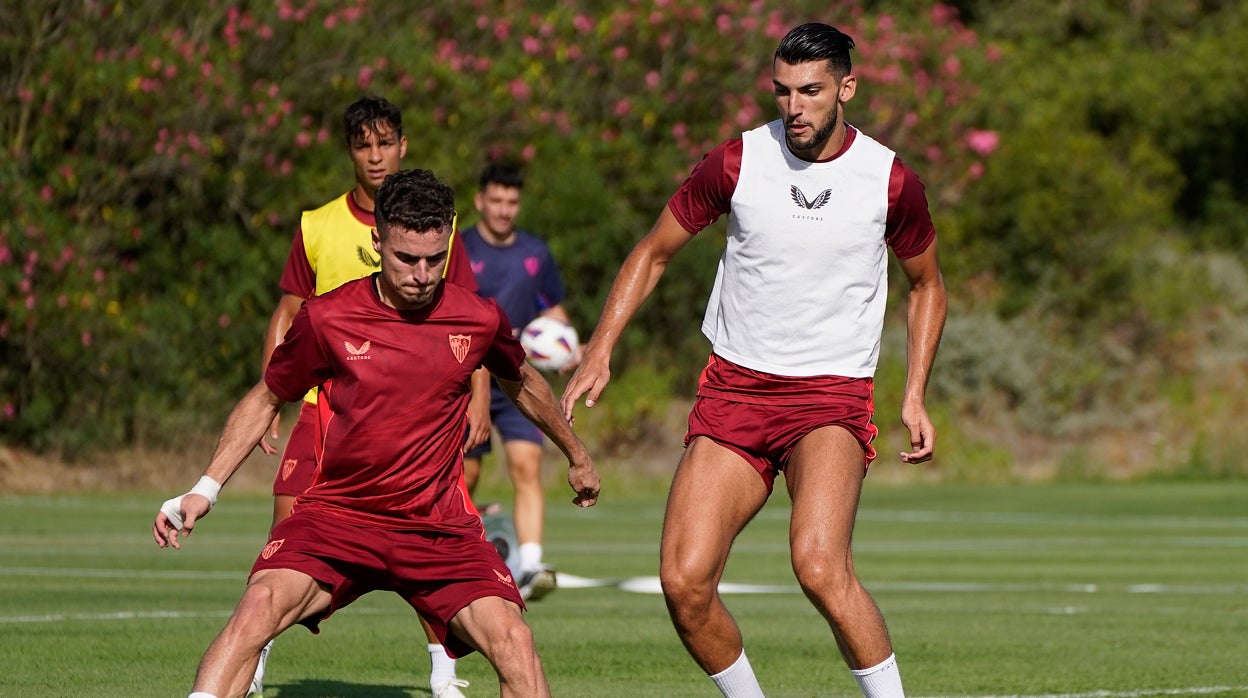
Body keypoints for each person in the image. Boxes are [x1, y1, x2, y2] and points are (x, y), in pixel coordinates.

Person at [560, 23, 946, 698]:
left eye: (811, 91)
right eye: (782, 91)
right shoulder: (738, 162)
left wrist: (913, 394)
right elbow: (653, 252)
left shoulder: (889, 180)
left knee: (820, 566)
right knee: (684, 582)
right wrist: (601, 347)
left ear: (846, 89)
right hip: (735, 392)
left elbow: (928, 286)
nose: (794, 107)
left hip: (830, 397)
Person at [153, 168, 600, 698]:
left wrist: (576, 454)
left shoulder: (478, 318)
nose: (421, 274)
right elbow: (268, 396)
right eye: (406, 258)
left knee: (514, 642)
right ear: (378, 241)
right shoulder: (327, 318)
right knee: (257, 610)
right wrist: (206, 488)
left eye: (435, 259)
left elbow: (522, 383)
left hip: (437, 527)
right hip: (340, 517)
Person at [256, 95, 491, 698]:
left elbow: (471, 322)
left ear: (403, 146)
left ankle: (442, 667)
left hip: (413, 418)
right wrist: (269, 399)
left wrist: (481, 400)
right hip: (322, 408)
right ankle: (253, 653)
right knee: (287, 534)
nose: (375, 155)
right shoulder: (317, 223)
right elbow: (287, 314)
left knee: (425, 538)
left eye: (385, 143)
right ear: (350, 152)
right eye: (364, 145)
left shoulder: (438, 227)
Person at [460, 163, 577, 601]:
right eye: (496, 201)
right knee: (464, 477)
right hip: (469, 379)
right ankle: (469, 551)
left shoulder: (536, 252)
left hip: (517, 379)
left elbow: (553, 313)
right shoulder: (460, 249)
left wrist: (570, 347)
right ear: (480, 201)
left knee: (527, 467)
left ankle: (529, 568)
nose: (504, 210)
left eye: (512, 202)